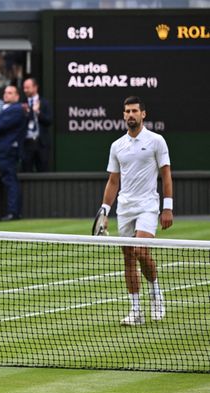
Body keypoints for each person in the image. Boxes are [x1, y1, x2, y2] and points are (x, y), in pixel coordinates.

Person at [99, 96, 172, 326]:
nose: (130, 115)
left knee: (141, 251)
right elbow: (113, 181)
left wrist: (167, 208)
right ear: (124, 115)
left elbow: (166, 174)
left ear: (143, 114)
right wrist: (104, 211)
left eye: (134, 111)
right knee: (128, 258)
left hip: (148, 206)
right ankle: (135, 311)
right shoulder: (117, 146)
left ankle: (156, 294)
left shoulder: (156, 141)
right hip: (125, 208)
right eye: (127, 111)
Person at [0, 85, 26, 221]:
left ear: (17, 96)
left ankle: (13, 212)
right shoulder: (7, 109)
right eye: (5, 92)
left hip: (7, 152)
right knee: (9, 181)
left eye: (10, 93)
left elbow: (1, 125)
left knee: (10, 181)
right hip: (1, 152)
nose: (6, 95)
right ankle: (12, 211)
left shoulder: (17, 109)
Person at [21, 77, 52, 173]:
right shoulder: (22, 104)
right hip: (26, 143)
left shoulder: (45, 103)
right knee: (26, 170)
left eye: (28, 87)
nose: (25, 90)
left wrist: (37, 112)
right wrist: (27, 113)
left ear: (35, 88)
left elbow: (49, 121)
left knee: (43, 171)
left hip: (41, 143)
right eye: (24, 88)